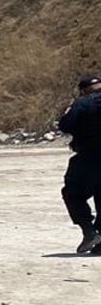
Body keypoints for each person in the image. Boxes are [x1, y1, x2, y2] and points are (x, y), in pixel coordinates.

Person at [57, 73, 101, 254]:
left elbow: (65, 126)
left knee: (72, 194)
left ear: (83, 90)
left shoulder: (83, 103)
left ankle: (89, 231)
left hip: (89, 158)